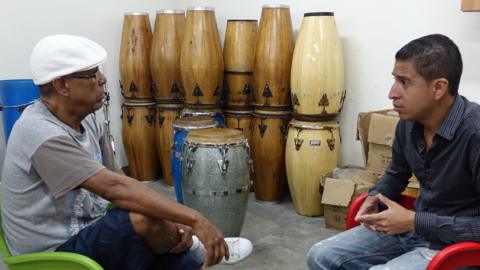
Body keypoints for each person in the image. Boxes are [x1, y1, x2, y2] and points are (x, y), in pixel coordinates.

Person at [0, 34, 252, 270]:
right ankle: (197, 246)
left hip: (89, 228)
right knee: (145, 223)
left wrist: (174, 220)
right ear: (62, 85)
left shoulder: (87, 119)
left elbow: (123, 181)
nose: (102, 79)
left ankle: (192, 253)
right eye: (91, 74)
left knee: (151, 223)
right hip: (53, 253)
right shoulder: (40, 133)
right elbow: (115, 189)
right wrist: (195, 220)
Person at [307, 33, 480, 270]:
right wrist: (374, 195)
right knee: (320, 255)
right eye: (394, 80)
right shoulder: (408, 124)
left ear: (439, 87)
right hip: (414, 231)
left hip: (460, 249)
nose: (392, 93)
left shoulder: (475, 132)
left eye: (404, 82)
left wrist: (415, 221)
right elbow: (397, 172)